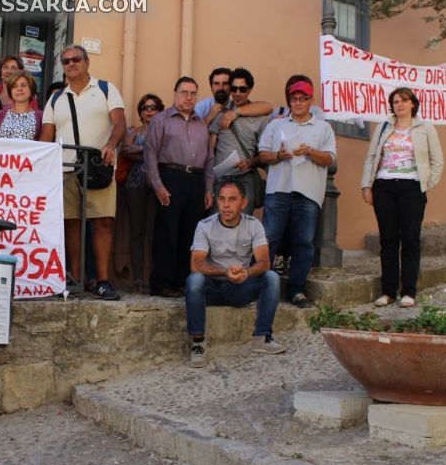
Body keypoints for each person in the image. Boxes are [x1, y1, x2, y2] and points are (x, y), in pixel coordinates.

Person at [40, 44, 126, 301]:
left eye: (76, 59)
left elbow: (120, 122)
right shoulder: (56, 99)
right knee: (72, 225)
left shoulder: (106, 89)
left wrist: (110, 144)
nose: (71, 64)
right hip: (67, 170)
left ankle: (102, 281)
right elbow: (46, 136)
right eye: (66, 61)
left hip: (99, 167)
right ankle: (76, 280)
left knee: (103, 223)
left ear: (87, 62)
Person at [185, 179, 286, 367]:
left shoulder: (254, 225)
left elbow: (264, 262)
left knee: (271, 277)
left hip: (240, 288)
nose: (226, 205)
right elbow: (196, 264)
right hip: (212, 288)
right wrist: (224, 271)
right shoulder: (205, 225)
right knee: (194, 280)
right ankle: (198, 343)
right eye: (222, 199)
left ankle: (262, 337)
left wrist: (246, 273)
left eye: (232, 199)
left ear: (244, 203)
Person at [361, 87, 444, 308]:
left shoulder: (425, 128)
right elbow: (371, 157)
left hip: (411, 188)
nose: (399, 104)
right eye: (395, 101)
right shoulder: (383, 127)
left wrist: (424, 184)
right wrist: (367, 185)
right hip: (384, 187)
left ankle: (408, 292)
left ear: (413, 103)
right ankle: (388, 292)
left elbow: (438, 160)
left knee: (410, 240)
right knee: (388, 240)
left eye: (404, 100)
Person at [258, 78, 336, 309]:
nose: (298, 102)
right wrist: (279, 155)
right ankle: (261, 286)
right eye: (294, 98)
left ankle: (296, 289)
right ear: (289, 100)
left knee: (303, 243)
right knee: (268, 238)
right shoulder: (276, 125)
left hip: (309, 192)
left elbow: (330, 159)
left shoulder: (323, 127)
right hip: (278, 190)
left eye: (303, 99)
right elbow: (262, 155)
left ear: (311, 101)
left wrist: (310, 151)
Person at [143, 76, 214, 298]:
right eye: (185, 93)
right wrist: (158, 185)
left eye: (193, 94)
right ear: (175, 95)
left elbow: (209, 159)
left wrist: (208, 188)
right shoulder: (161, 120)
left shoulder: (201, 123)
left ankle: (183, 281)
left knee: (190, 233)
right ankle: (162, 283)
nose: (189, 98)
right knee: (167, 232)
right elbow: (150, 153)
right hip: (170, 177)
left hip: (195, 180)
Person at [117, 93, 164, 292]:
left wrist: (140, 150)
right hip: (134, 184)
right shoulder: (133, 130)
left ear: (160, 111)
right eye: (145, 107)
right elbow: (125, 150)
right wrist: (150, 153)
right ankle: (137, 280)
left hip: (158, 185)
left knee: (157, 233)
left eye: (153, 107)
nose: (149, 111)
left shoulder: (166, 131)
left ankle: (156, 279)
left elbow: (165, 155)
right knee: (137, 233)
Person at [209, 67, 271, 215]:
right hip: (221, 178)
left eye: (242, 89)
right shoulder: (220, 113)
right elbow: (210, 149)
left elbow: (264, 152)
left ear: (249, 90)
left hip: (245, 178)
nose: (237, 93)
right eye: (234, 88)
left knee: (243, 227)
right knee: (217, 225)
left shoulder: (261, 118)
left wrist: (251, 162)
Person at [0, 71, 43, 140]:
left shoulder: (40, 116)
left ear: (31, 89)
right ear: (10, 91)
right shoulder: (0, 114)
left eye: (23, 85)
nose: (19, 89)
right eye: (14, 86)